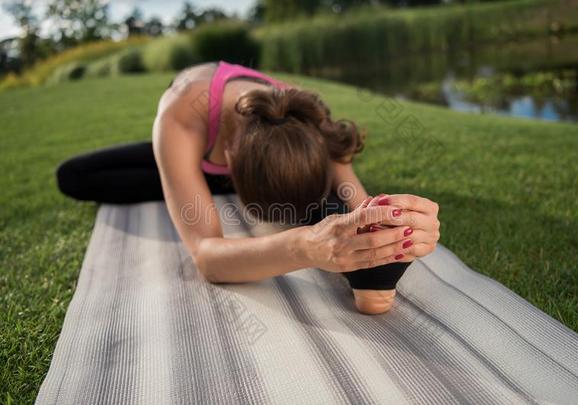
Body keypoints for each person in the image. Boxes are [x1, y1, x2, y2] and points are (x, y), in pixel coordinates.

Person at [56, 61, 441, 314]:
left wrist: (389, 227)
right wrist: (305, 245)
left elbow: (356, 201)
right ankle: (182, 174)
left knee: (331, 200)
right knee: (74, 176)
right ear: (230, 163)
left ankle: (187, 180)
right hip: (195, 146)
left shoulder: (310, 118)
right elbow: (207, 257)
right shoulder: (181, 116)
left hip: (251, 150)